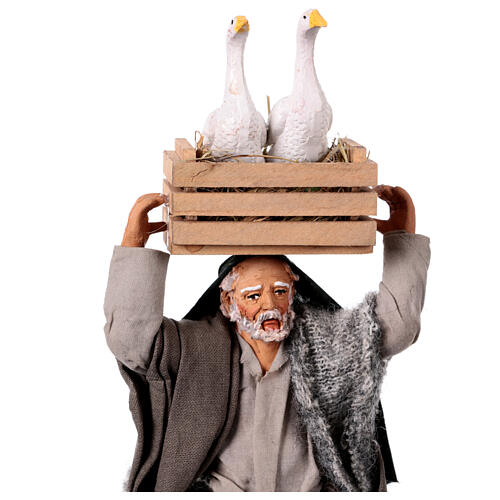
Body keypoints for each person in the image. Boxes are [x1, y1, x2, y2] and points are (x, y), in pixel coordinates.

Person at [103, 185, 430, 492]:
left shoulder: (328, 343)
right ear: (229, 301)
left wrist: (402, 238)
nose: (269, 306)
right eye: (253, 295)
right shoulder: (195, 348)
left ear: (294, 292)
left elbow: (394, 329)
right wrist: (134, 243)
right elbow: (131, 342)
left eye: (279, 292)